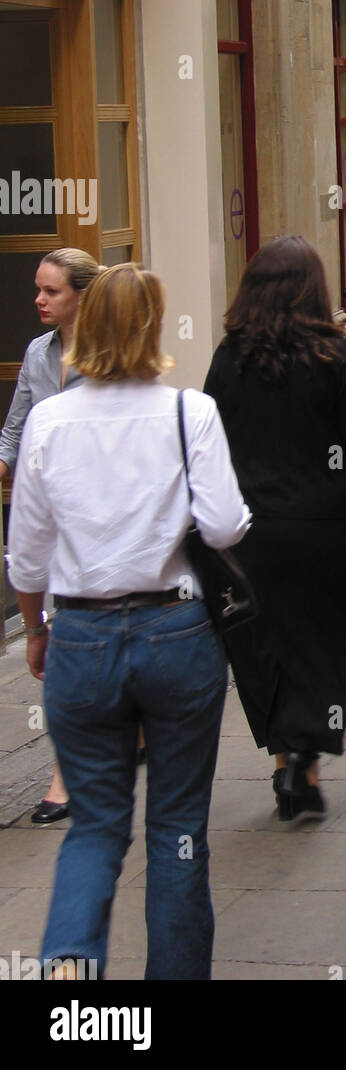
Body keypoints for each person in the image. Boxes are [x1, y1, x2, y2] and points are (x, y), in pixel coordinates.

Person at [7, 264, 250, 979]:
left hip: (81, 634)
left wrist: (38, 633)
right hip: (174, 633)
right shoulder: (188, 414)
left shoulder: (49, 421)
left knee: (94, 823)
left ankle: (70, 969)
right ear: (152, 326)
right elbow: (225, 525)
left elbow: (25, 559)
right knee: (176, 829)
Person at [204, 237, 346, 821]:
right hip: (321, 527)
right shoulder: (335, 355)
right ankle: (306, 762)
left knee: (262, 643)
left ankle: (282, 758)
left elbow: (209, 439)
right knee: (325, 639)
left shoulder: (228, 356)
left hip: (248, 529)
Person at [0, 248, 103, 826]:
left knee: (87, 634)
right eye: (38, 290)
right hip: (51, 519)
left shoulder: (110, 357)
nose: (38, 300)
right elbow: (13, 432)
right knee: (65, 640)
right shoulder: (37, 354)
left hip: (99, 520)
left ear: (81, 297)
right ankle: (66, 772)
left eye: (50, 291)